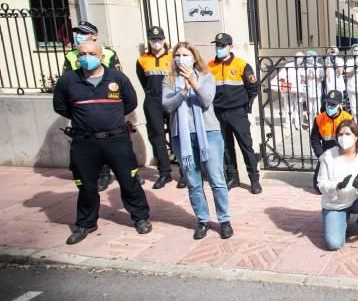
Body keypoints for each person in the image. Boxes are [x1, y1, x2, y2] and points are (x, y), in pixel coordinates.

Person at [53, 40, 151, 244]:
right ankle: (86, 223)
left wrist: (108, 117)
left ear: (101, 56)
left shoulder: (117, 78)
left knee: (129, 181)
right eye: (81, 54)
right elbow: (61, 107)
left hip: (116, 140)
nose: (85, 58)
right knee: (86, 186)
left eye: (90, 53)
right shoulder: (68, 81)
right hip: (84, 142)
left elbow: (130, 102)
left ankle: (140, 218)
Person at [163, 42, 233, 240]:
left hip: (208, 133)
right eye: (177, 55)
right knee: (193, 182)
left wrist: (194, 83)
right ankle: (202, 220)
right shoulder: (168, 80)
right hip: (182, 137)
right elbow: (167, 106)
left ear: (194, 57)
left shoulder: (206, 76)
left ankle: (224, 220)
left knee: (216, 180)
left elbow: (206, 101)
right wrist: (183, 92)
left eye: (185, 55)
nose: (181, 58)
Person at [62, 20, 123, 192]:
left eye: (83, 32)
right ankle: (102, 174)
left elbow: (121, 83)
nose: (78, 36)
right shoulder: (71, 56)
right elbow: (64, 86)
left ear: (94, 36)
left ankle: (123, 171)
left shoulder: (109, 54)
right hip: (82, 107)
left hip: (107, 105)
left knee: (114, 142)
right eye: (77, 32)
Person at [316, 119, 358, 250]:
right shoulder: (328, 156)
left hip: (357, 199)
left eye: (347, 134)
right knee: (333, 244)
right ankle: (340, 220)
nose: (343, 138)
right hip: (335, 204)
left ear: (356, 136)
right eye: (340, 134)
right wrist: (336, 186)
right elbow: (321, 183)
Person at [208, 33, 261, 194]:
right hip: (218, 112)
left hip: (237, 112)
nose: (219, 48)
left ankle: (254, 179)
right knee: (225, 147)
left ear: (230, 47)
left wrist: (246, 108)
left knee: (246, 146)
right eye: (217, 45)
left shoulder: (241, 65)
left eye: (222, 46)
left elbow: (253, 88)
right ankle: (232, 176)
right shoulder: (210, 65)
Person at [135, 26, 174, 189]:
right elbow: (143, 82)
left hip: (172, 98)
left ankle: (185, 173)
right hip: (152, 100)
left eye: (159, 39)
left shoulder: (173, 57)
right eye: (153, 39)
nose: (156, 42)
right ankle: (165, 172)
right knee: (157, 136)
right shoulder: (142, 60)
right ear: (149, 41)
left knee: (176, 134)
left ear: (164, 39)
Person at [310, 90, 353, 193]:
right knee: (318, 187)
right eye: (328, 103)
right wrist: (321, 156)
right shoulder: (319, 119)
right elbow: (314, 139)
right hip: (327, 154)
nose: (330, 106)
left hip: (343, 153)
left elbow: (354, 140)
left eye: (333, 104)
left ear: (340, 105)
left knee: (347, 185)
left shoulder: (347, 118)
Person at [277, 52, 304, 129]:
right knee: (288, 106)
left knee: (298, 107)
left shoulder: (302, 67)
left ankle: (298, 124)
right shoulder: (288, 65)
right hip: (288, 89)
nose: (300, 59)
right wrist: (283, 86)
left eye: (301, 58)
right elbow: (281, 76)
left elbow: (304, 79)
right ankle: (287, 123)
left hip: (299, 90)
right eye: (298, 57)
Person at [300, 50, 324, 120]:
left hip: (317, 89)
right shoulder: (305, 66)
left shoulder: (319, 66)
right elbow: (303, 79)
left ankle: (318, 124)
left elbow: (322, 78)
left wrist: (316, 75)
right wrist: (308, 75)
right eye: (307, 56)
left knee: (317, 108)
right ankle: (311, 124)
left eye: (310, 56)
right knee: (309, 109)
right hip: (308, 89)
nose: (308, 58)